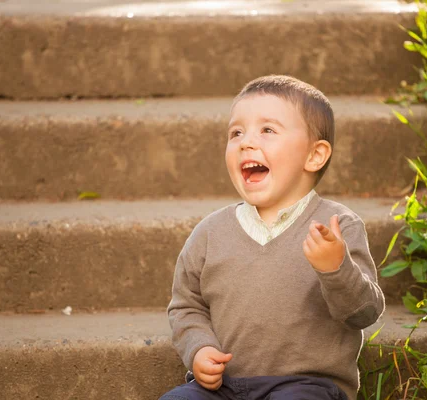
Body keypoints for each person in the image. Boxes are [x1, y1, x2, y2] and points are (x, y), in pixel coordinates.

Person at [160, 75, 385, 400]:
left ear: (314, 155)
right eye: (236, 132)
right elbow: (186, 306)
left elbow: (364, 313)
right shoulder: (209, 233)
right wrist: (199, 349)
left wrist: (336, 267)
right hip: (224, 388)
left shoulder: (338, 226)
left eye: (267, 130)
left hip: (306, 385)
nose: (245, 142)